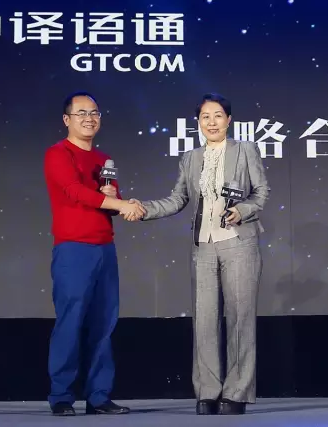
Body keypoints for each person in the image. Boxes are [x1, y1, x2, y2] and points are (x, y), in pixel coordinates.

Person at [123, 93, 269, 415]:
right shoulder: (190, 158)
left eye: (218, 116)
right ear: (198, 122)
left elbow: (261, 192)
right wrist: (143, 209)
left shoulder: (245, 150)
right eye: (205, 117)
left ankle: (236, 394)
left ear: (229, 120)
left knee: (240, 320)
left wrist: (242, 211)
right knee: (204, 322)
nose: (212, 122)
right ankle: (207, 393)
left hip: (239, 243)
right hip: (203, 246)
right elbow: (178, 199)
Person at [44, 91, 146, 416]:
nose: (89, 118)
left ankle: (98, 396)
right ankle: (61, 396)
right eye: (82, 113)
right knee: (70, 321)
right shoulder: (58, 154)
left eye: (94, 113)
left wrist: (119, 200)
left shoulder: (104, 159)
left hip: (105, 248)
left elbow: (110, 203)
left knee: (104, 324)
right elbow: (74, 192)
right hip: (73, 249)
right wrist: (119, 203)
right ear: (67, 119)